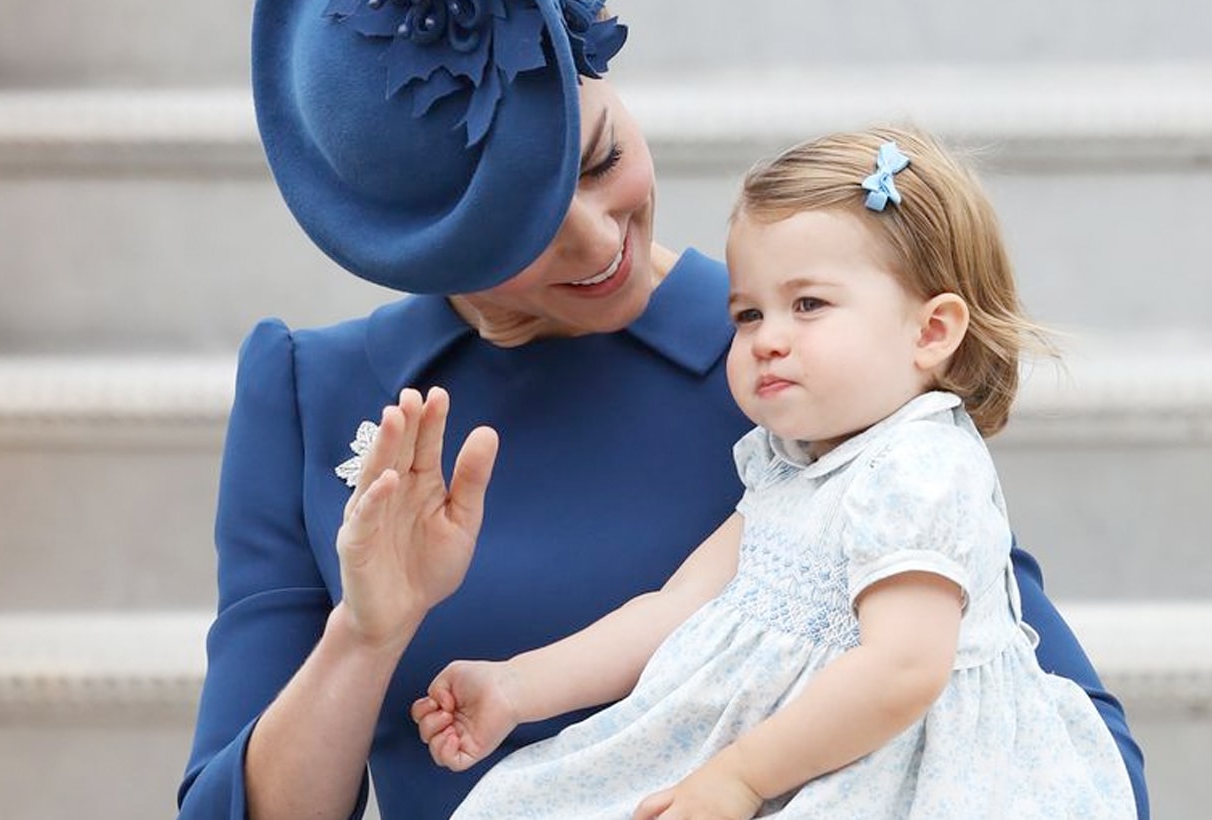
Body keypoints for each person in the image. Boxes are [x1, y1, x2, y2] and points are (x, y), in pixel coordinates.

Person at [176, 2, 1148, 818]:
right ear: (427, 250)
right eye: (531, 231)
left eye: (601, 160)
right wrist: (369, 634)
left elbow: (1039, 716)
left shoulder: (830, 377)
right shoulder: (316, 395)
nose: (601, 241)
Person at [409, 127, 1138, 819]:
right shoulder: (786, 465)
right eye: (748, 314)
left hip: (895, 775)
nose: (767, 340)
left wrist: (741, 776)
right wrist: (518, 685)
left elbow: (904, 670)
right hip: (771, 756)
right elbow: (676, 607)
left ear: (931, 331)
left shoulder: (919, 466)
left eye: (808, 305)